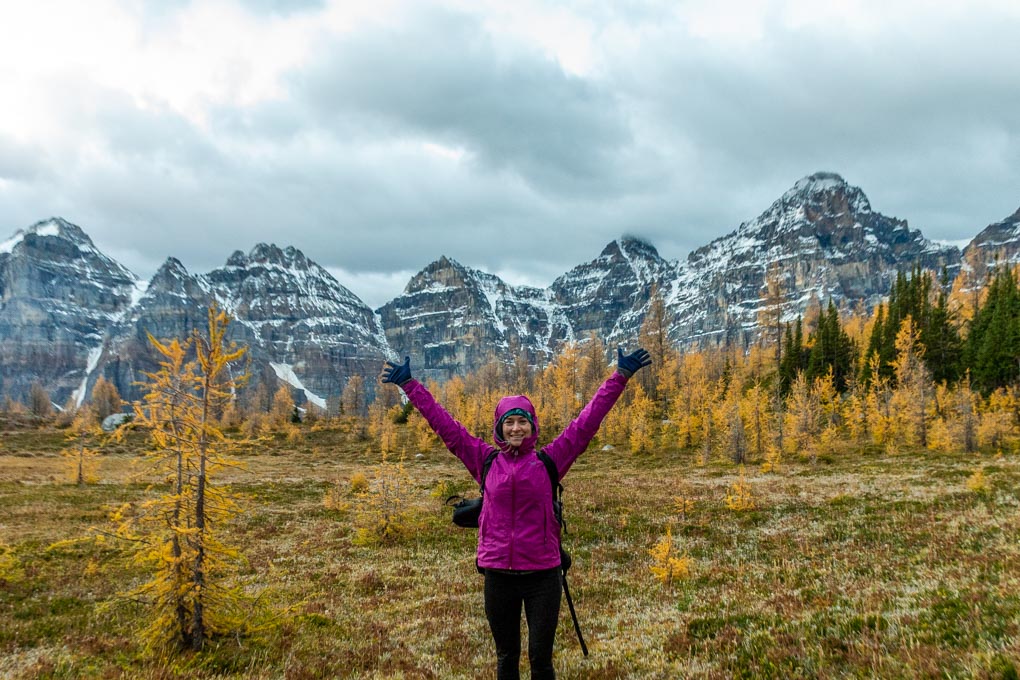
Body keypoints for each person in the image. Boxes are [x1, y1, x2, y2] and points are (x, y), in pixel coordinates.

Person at [381, 347, 652, 680]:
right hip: (498, 576)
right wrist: (410, 385)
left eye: (522, 421)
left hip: (543, 576)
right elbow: (446, 427)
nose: (515, 428)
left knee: (541, 661)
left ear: (532, 425)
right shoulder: (485, 460)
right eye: (508, 422)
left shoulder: (550, 461)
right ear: (499, 427)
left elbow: (587, 422)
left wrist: (620, 377)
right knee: (506, 657)